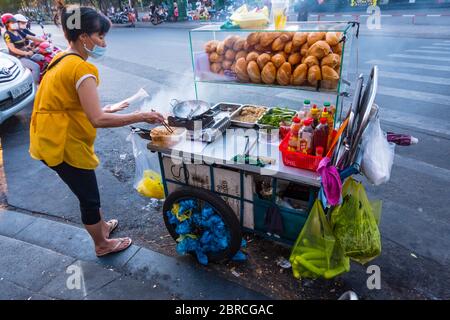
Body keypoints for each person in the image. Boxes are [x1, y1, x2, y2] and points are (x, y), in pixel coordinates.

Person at [29, 0, 165, 257]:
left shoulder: (62, 57)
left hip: (48, 136)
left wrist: (111, 109)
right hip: (61, 144)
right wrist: (140, 115)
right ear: (83, 37)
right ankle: (101, 245)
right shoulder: (81, 67)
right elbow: (97, 120)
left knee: (87, 189)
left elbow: (69, 103)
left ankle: (101, 227)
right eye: (99, 36)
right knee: (89, 197)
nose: (103, 42)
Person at [2, 13, 43, 84]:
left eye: (15, 21)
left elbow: (30, 37)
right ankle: (34, 87)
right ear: (7, 24)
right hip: (19, 58)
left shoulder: (18, 31)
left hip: (26, 55)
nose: (15, 23)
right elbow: (13, 49)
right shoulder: (7, 35)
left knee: (42, 58)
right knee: (36, 67)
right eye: (12, 22)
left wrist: (44, 41)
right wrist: (26, 53)